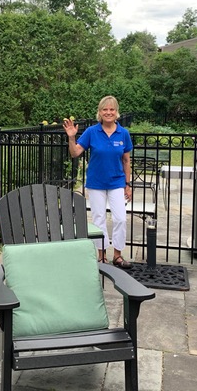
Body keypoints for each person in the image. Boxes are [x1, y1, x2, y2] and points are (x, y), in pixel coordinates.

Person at [63, 95, 133, 268]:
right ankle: (101, 256)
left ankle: (117, 255)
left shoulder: (123, 133)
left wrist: (128, 184)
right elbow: (75, 153)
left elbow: (126, 160)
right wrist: (72, 137)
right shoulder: (91, 132)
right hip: (96, 183)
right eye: (105, 109)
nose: (108, 112)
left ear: (117, 112)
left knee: (120, 219)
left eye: (112, 109)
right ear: (100, 112)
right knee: (99, 219)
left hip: (117, 182)